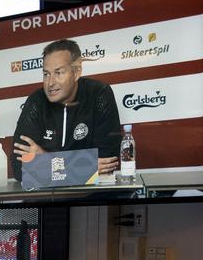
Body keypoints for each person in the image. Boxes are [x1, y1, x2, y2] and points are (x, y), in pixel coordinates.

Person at [11, 39, 122, 181]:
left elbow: (107, 163)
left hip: (89, 198)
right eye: (46, 74)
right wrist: (85, 167)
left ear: (76, 72)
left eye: (59, 73)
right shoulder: (36, 101)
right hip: (46, 199)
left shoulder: (99, 94)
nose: (50, 83)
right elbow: (20, 169)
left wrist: (45, 160)